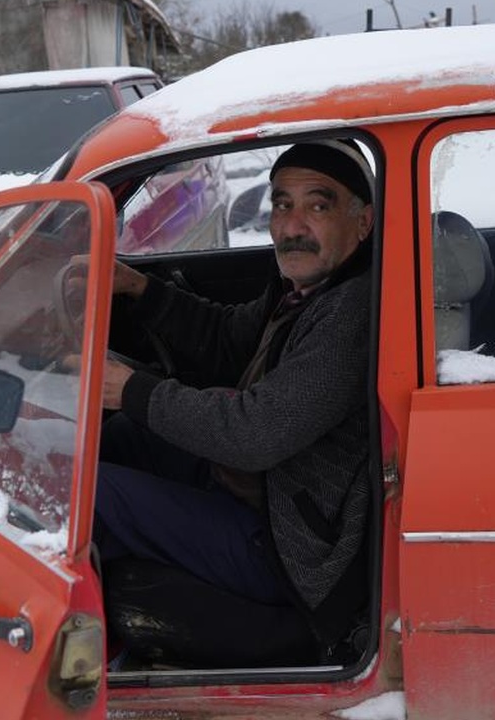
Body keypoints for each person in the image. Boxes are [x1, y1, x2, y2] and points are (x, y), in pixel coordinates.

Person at [94, 138, 375, 656]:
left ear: (363, 222)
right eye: (282, 204)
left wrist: (129, 388)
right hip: (265, 489)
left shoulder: (351, 315)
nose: (292, 226)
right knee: (123, 437)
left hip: (291, 545)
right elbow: (228, 341)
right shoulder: (305, 290)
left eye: (318, 205)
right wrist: (139, 288)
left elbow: (255, 434)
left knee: (96, 498)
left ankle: (69, 653)